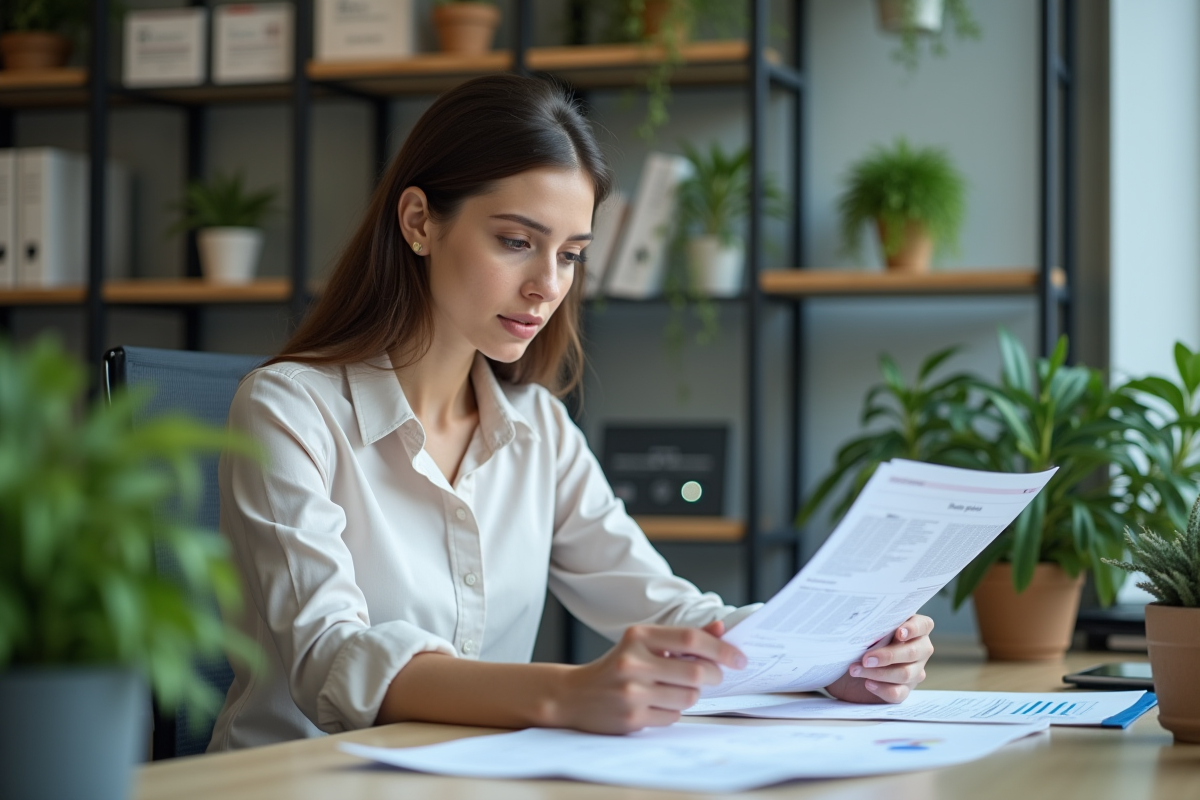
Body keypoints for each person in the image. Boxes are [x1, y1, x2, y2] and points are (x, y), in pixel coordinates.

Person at [207, 74, 934, 752]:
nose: (545, 286)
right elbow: (330, 658)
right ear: (420, 221)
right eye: (517, 242)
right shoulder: (289, 410)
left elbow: (668, 613)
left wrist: (830, 660)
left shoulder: (539, 431)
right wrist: (568, 692)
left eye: (572, 255)